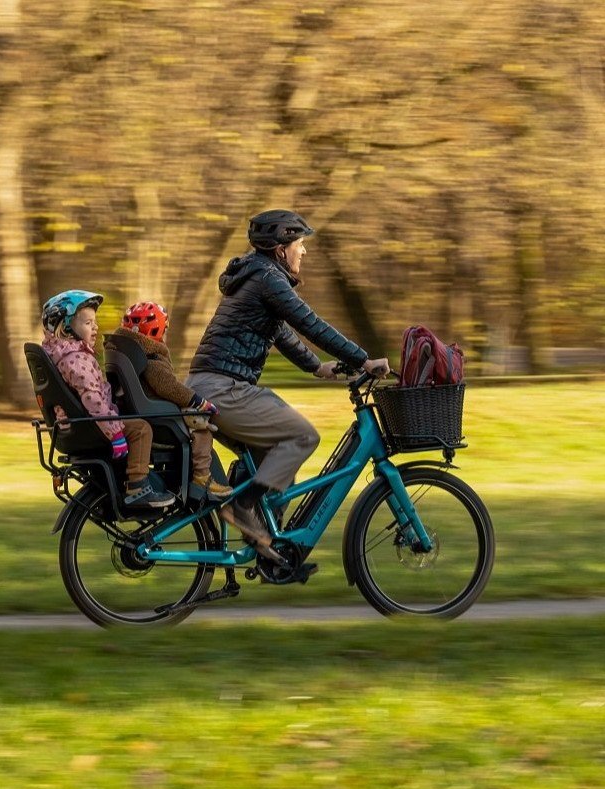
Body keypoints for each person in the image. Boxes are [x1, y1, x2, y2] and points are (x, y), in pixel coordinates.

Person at [186, 209, 389, 561]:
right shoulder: (267, 278)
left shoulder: (255, 277)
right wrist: (363, 360)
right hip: (224, 390)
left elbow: (281, 332)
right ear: (281, 248)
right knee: (302, 436)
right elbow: (309, 322)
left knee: (279, 467)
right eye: (299, 243)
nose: (304, 251)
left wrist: (317, 367)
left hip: (211, 387)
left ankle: (269, 551)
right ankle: (242, 506)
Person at [40, 290, 175, 510]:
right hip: (92, 427)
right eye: (87, 323)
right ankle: (138, 487)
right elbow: (93, 400)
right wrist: (116, 433)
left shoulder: (62, 355)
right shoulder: (76, 360)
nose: (95, 327)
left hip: (78, 426)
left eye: (95, 322)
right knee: (141, 429)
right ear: (65, 328)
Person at [110, 300, 232, 500]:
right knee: (202, 426)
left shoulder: (125, 352)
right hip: (163, 422)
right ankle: (202, 477)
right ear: (157, 331)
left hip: (147, 414)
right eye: (164, 330)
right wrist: (198, 401)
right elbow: (168, 387)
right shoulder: (152, 358)